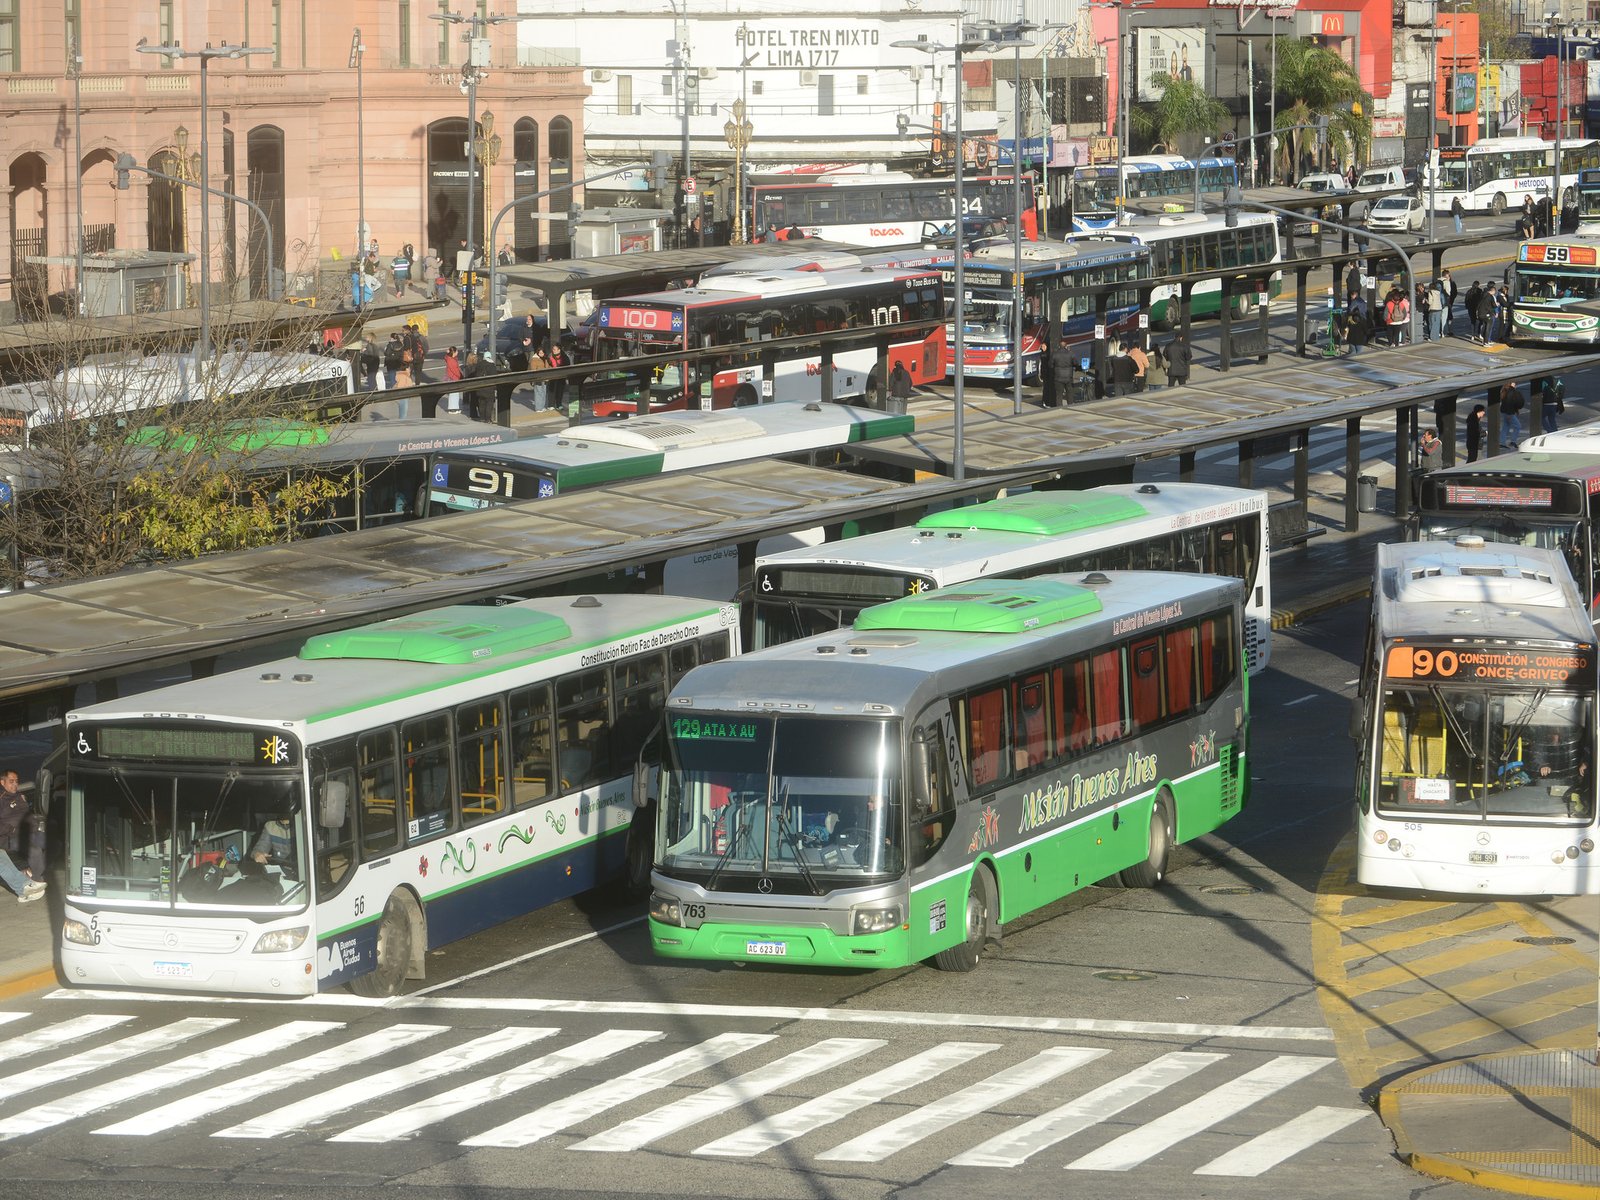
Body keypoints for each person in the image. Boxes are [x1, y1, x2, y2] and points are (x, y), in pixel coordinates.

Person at [0, 770, 44, 903]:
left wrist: (36, 826)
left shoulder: (20, 797)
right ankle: (32, 883)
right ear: (2, 782)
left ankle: (30, 880)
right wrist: (12, 830)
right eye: (11, 781)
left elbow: (28, 815)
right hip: (9, 837)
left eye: (16, 781)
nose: (15, 784)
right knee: (34, 850)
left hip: (26, 833)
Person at [1500, 381, 1525, 450]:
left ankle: (1502, 442)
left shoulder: (1505, 390)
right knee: (1518, 426)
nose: (1515, 384)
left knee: (1506, 426)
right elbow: (1514, 402)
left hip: (1505, 412)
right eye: (1514, 383)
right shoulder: (1511, 391)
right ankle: (1513, 442)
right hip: (1509, 412)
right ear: (1511, 384)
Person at [1441, 268, 1458, 336]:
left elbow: (1454, 293)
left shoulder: (1451, 283)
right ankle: (1445, 331)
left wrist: (1451, 299)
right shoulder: (1446, 283)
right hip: (1446, 302)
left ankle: (1447, 330)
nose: (1447, 278)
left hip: (1449, 302)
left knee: (1448, 316)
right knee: (1446, 316)